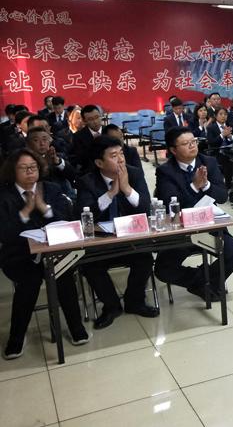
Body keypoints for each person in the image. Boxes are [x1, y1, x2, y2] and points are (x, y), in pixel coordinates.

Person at [0, 149, 89, 359]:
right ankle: (16, 338)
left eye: (33, 167)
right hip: (19, 255)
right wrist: (25, 212)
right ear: (13, 171)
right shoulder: (4, 196)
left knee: (63, 276)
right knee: (28, 283)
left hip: (54, 251)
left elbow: (66, 219)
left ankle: (76, 328)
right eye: (23, 168)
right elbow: (4, 233)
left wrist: (43, 207)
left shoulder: (51, 188)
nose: (30, 171)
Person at [154, 128, 233, 300]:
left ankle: (203, 284)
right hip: (181, 231)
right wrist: (194, 186)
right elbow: (170, 204)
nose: (192, 146)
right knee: (163, 270)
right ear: (173, 150)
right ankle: (203, 282)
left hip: (209, 228)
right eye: (185, 143)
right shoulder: (165, 171)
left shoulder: (208, 162)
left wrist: (206, 186)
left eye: (194, 141)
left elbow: (222, 196)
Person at [76, 136, 158, 329]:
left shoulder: (134, 173)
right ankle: (111, 306)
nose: (121, 159)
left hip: (130, 238)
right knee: (90, 265)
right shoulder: (87, 181)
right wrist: (110, 194)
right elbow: (83, 216)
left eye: (121, 153)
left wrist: (127, 189)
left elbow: (147, 209)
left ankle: (134, 301)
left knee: (145, 258)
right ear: (99, 163)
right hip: (100, 242)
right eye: (114, 156)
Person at [25, 126, 77, 200]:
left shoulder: (59, 156)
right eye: (36, 140)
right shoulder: (25, 161)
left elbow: (73, 176)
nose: (42, 143)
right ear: (28, 144)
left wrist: (58, 162)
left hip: (67, 195)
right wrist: (45, 163)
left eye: (44, 139)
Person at [70, 104, 104, 171]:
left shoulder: (109, 131)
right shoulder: (78, 137)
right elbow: (81, 159)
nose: (95, 121)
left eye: (97, 117)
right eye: (90, 119)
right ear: (84, 121)